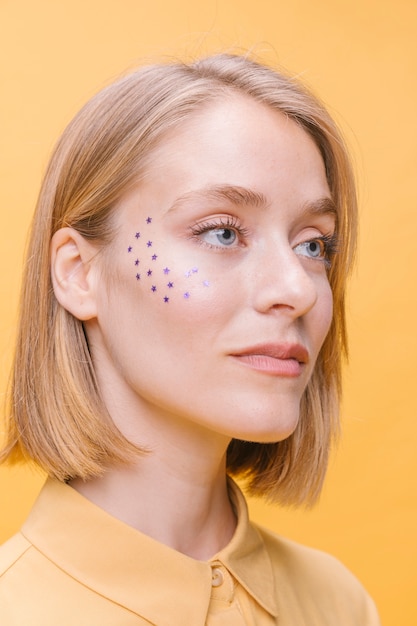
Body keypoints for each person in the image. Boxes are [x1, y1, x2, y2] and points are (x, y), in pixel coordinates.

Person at [0, 53, 380, 625]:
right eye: (223, 232)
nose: (297, 289)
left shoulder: (338, 605)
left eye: (313, 245)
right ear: (79, 273)